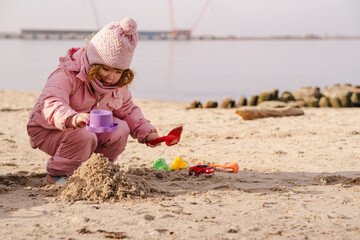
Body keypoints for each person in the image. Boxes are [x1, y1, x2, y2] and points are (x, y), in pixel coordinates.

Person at [27, 17, 161, 185]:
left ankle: (98, 168)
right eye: (105, 69)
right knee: (84, 135)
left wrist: (147, 132)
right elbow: (51, 101)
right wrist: (73, 118)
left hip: (88, 131)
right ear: (93, 61)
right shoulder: (68, 74)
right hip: (49, 129)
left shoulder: (117, 86)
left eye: (118, 71)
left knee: (120, 128)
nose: (111, 77)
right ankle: (58, 175)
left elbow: (128, 110)